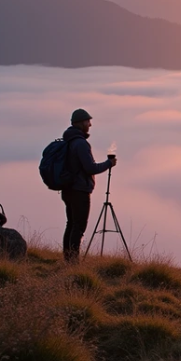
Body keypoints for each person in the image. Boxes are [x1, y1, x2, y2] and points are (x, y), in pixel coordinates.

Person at [61, 109, 116, 262]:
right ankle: (73, 261)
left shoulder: (68, 141)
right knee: (78, 226)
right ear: (80, 123)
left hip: (67, 189)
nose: (90, 125)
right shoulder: (80, 144)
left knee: (71, 224)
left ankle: (68, 259)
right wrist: (109, 163)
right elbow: (90, 168)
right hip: (79, 190)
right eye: (87, 121)